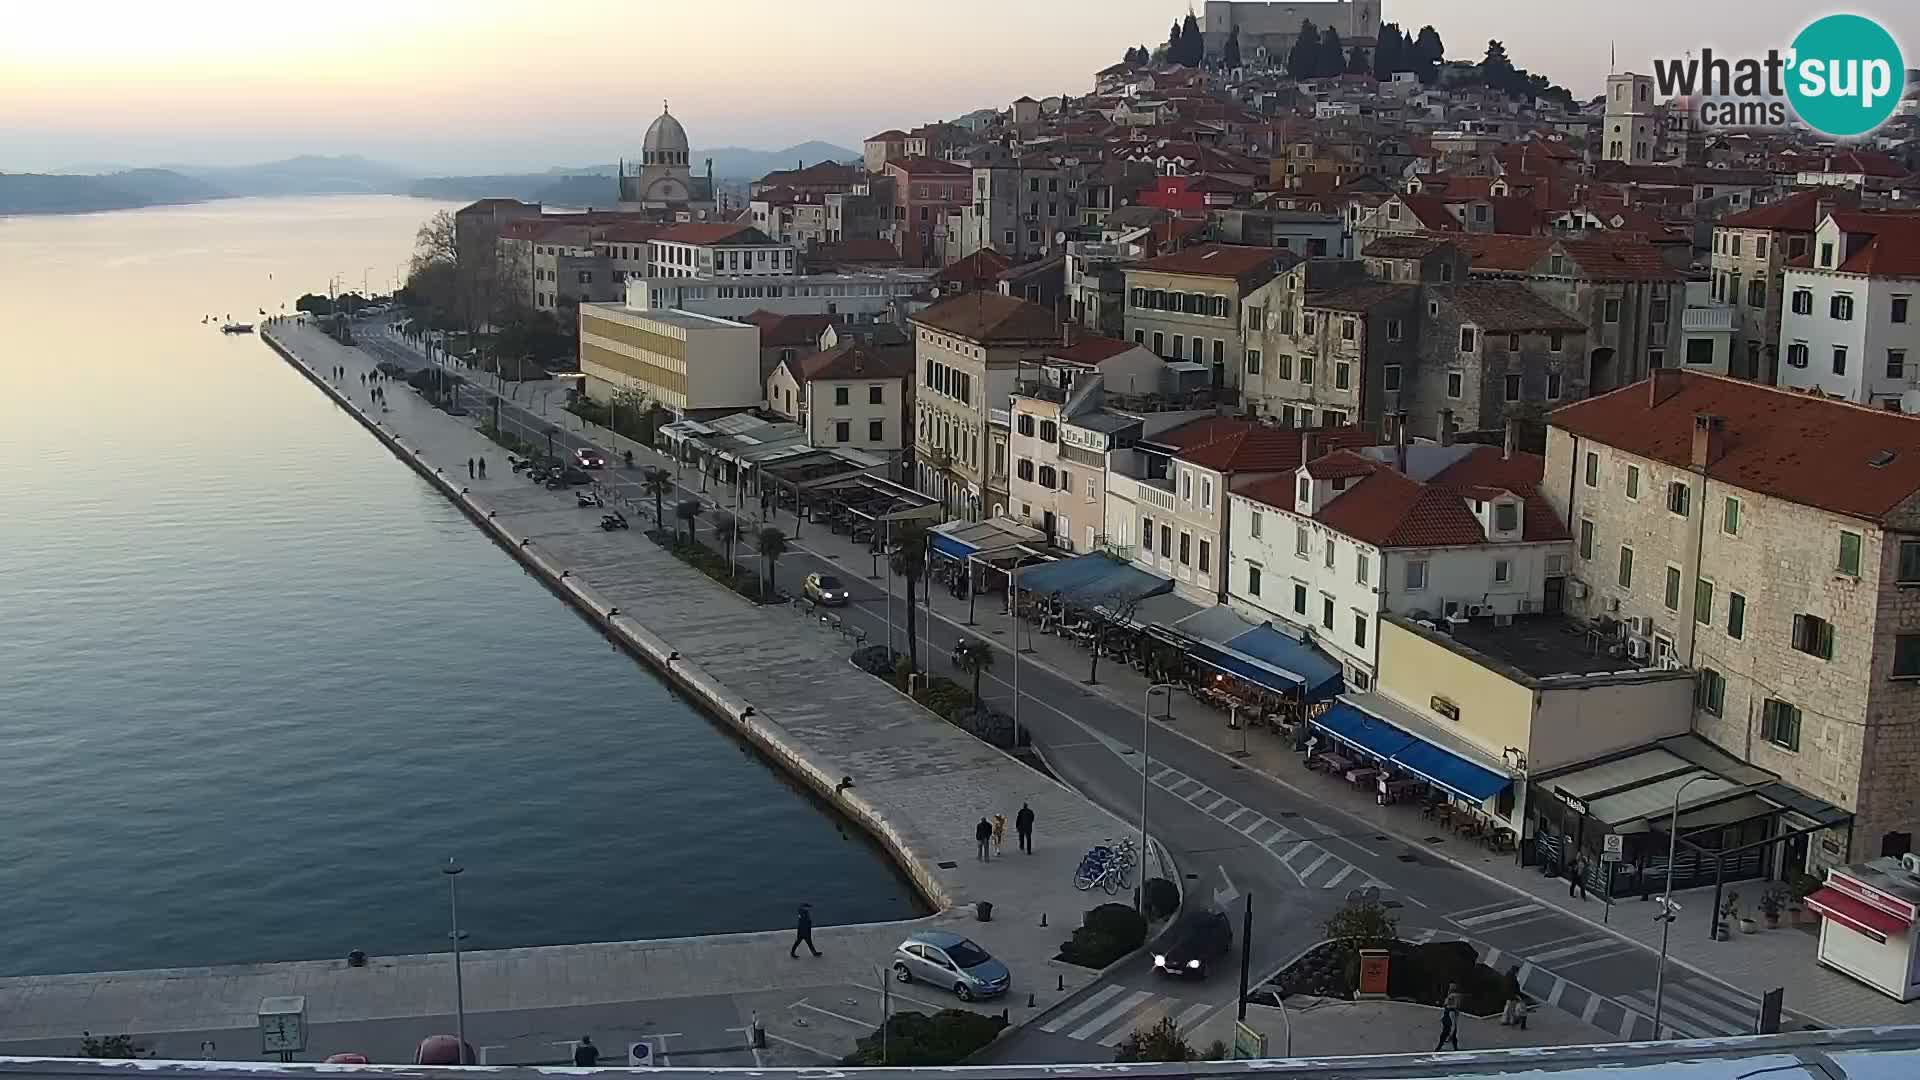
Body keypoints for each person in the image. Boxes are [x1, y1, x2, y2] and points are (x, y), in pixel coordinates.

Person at [1436, 982, 1462, 1051]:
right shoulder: (1451, 996)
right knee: (1451, 1034)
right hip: (1448, 1015)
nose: (1449, 988)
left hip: (1450, 1014)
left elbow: (1455, 1006)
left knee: (1446, 1033)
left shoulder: (1454, 996)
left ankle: (1438, 1048)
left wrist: (1448, 1007)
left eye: (1451, 987)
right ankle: (1454, 1048)